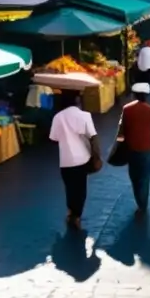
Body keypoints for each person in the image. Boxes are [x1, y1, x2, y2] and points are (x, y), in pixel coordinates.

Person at [49, 90, 102, 229]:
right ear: (77, 100)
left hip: (65, 161)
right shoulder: (85, 115)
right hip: (82, 159)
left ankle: (71, 211)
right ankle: (77, 216)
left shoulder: (57, 117)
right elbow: (93, 137)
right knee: (80, 189)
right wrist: (97, 157)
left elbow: (53, 139)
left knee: (69, 188)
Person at [119, 83, 150, 215]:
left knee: (134, 177)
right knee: (145, 177)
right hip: (147, 151)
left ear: (134, 95)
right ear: (147, 95)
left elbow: (121, 131)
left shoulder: (126, 109)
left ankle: (140, 202)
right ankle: (143, 204)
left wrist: (119, 145)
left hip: (132, 150)